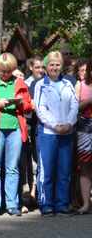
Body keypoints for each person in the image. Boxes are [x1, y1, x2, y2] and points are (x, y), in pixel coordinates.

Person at [0, 53, 34, 216]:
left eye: (8, 71)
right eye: (2, 71)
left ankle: (12, 204)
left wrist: (22, 103)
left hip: (15, 129)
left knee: (12, 168)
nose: (4, 74)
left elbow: (29, 106)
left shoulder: (20, 83)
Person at [33, 51, 78, 216]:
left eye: (57, 64)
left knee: (64, 170)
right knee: (47, 170)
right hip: (48, 133)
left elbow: (74, 105)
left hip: (66, 132)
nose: (54, 67)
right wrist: (54, 125)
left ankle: (62, 204)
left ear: (62, 66)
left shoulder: (68, 84)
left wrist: (69, 123)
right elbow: (40, 108)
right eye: (51, 64)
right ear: (46, 66)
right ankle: (46, 204)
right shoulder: (40, 85)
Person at [75, 59, 92, 215]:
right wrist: (88, 101)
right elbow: (74, 108)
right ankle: (86, 204)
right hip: (85, 128)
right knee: (85, 166)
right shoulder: (80, 85)